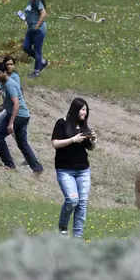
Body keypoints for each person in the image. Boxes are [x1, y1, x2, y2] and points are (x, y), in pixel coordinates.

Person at [51, 98, 97, 238]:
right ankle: (63, 225)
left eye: (86, 110)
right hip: (65, 170)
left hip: (83, 170)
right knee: (72, 200)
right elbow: (55, 144)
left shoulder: (84, 126)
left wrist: (93, 140)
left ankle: (77, 237)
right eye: (83, 109)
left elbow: (90, 148)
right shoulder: (61, 123)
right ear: (75, 109)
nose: (85, 112)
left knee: (82, 203)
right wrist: (73, 140)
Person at [0, 62, 44, 173]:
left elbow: (16, 104)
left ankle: (9, 165)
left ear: (5, 72)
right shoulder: (2, 82)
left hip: (18, 115)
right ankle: (37, 168)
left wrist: (11, 123)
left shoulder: (10, 84)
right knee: (22, 143)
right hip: (24, 115)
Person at [22, 0, 50, 78]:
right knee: (26, 47)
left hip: (38, 30)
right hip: (30, 29)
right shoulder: (30, 0)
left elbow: (43, 14)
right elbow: (31, 13)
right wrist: (26, 19)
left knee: (38, 50)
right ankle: (42, 61)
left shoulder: (37, 1)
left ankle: (36, 72)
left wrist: (37, 26)